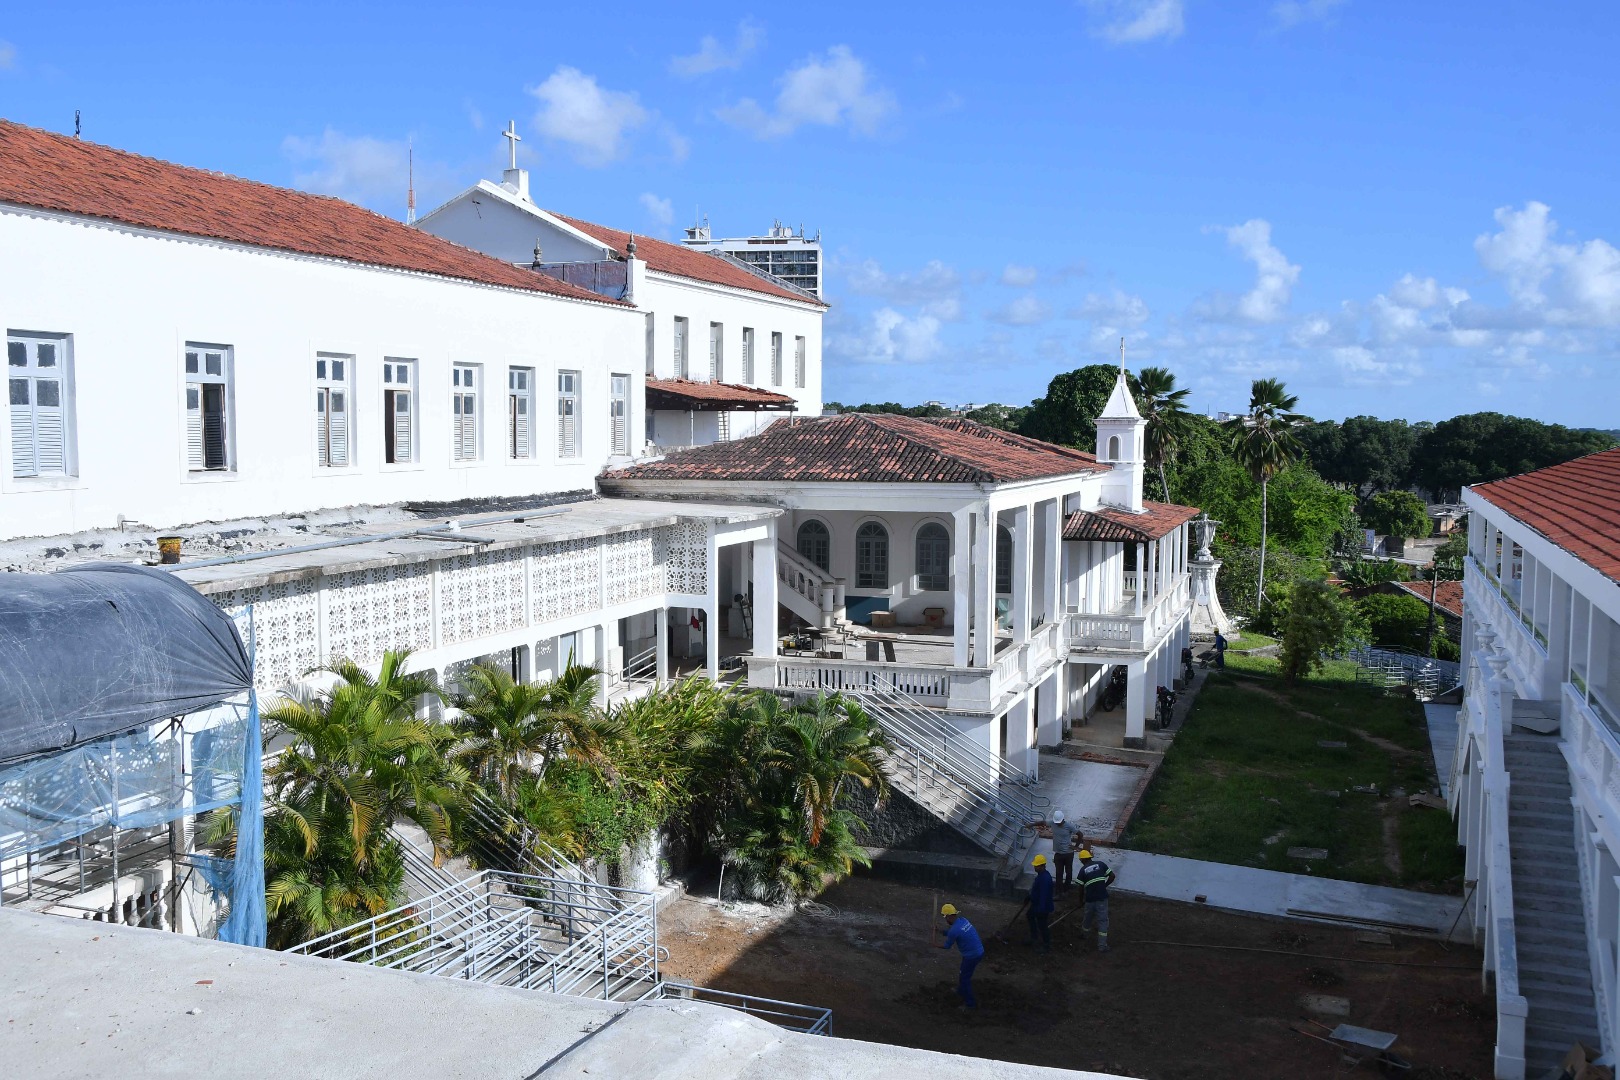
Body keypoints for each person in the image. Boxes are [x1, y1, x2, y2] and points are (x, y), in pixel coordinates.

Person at [936, 902, 984, 1009]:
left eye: (945, 917)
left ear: (948, 916)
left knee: (964, 978)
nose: (945, 919)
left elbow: (947, 946)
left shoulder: (954, 930)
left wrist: (935, 945)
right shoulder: (963, 920)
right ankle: (961, 990)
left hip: (972, 955)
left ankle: (970, 1004)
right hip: (978, 951)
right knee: (963, 971)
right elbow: (954, 932)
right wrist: (941, 931)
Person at [1077, 849, 1116, 953]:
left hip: (1089, 899)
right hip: (1102, 898)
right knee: (1103, 921)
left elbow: (1080, 888)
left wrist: (1080, 901)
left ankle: (1084, 935)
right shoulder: (1101, 864)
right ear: (1090, 857)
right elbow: (1112, 876)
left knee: (1087, 918)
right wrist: (1104, 886)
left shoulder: (1082, 870)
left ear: (1082, 860)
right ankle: (1102, 946)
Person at [1026, 853, 1055, 951]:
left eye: (1036, 866)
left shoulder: (1045, 879)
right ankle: (1034, 937)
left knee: (1042, 925)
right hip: (1036, 904)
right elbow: (1037, 891)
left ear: (1042, 866)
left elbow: (1044, 895)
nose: (1034, 867)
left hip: (1042, 906)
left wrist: (1041, 909)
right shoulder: (1041, 875)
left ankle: (1046, 945)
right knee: (1029, 915)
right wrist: (1030, 897)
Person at [1049, 811, 1078, 893]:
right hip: (1058, 853)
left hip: (1068, 853)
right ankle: (1059, 890)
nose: (1058, 824)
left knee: (1068, 871)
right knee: (1059, 873)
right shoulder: (1053, 823)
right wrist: (1031, 824)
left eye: (1059, 822)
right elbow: (1042, 822)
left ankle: (1067, 887)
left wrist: (1076, 846)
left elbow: (1080, 834)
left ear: (1063, 819)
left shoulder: (1069, 826)